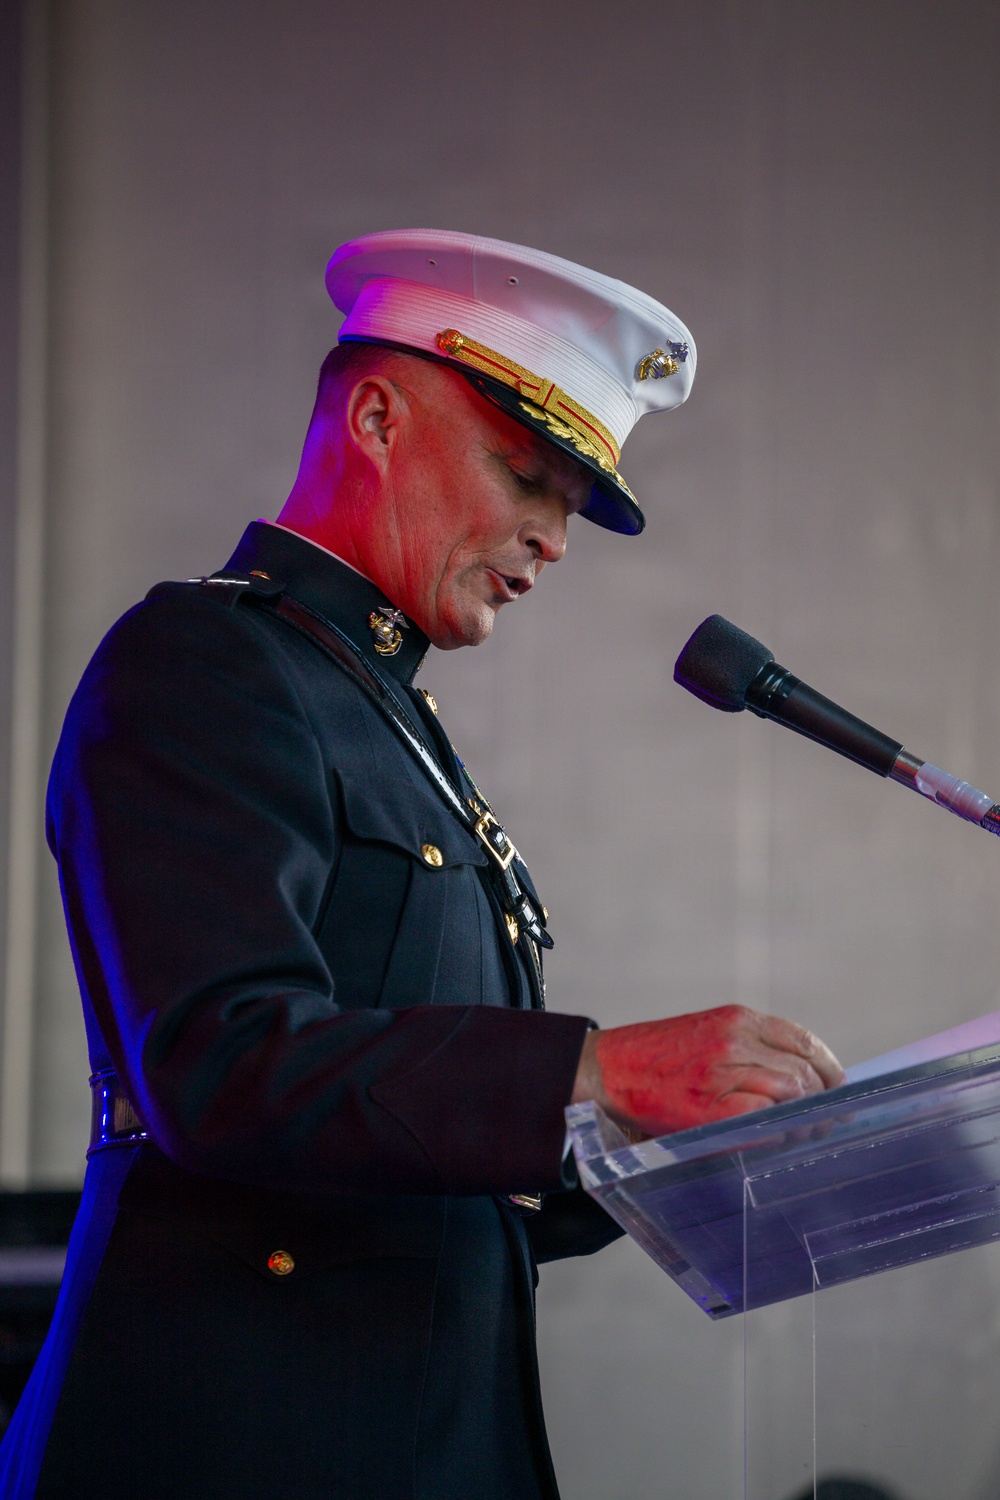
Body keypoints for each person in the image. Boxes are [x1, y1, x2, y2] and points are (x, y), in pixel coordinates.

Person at [0, 229, 844, 1498]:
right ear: (380, 415)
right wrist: (598, 1068)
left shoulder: (384, 715)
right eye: (529, 478)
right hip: (247, 1444)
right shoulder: (207, 662)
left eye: (572, 504)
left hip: (426, 1438)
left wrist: (646, 1156)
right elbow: (219, 1062)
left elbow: (411, 1134)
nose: (555, 538)